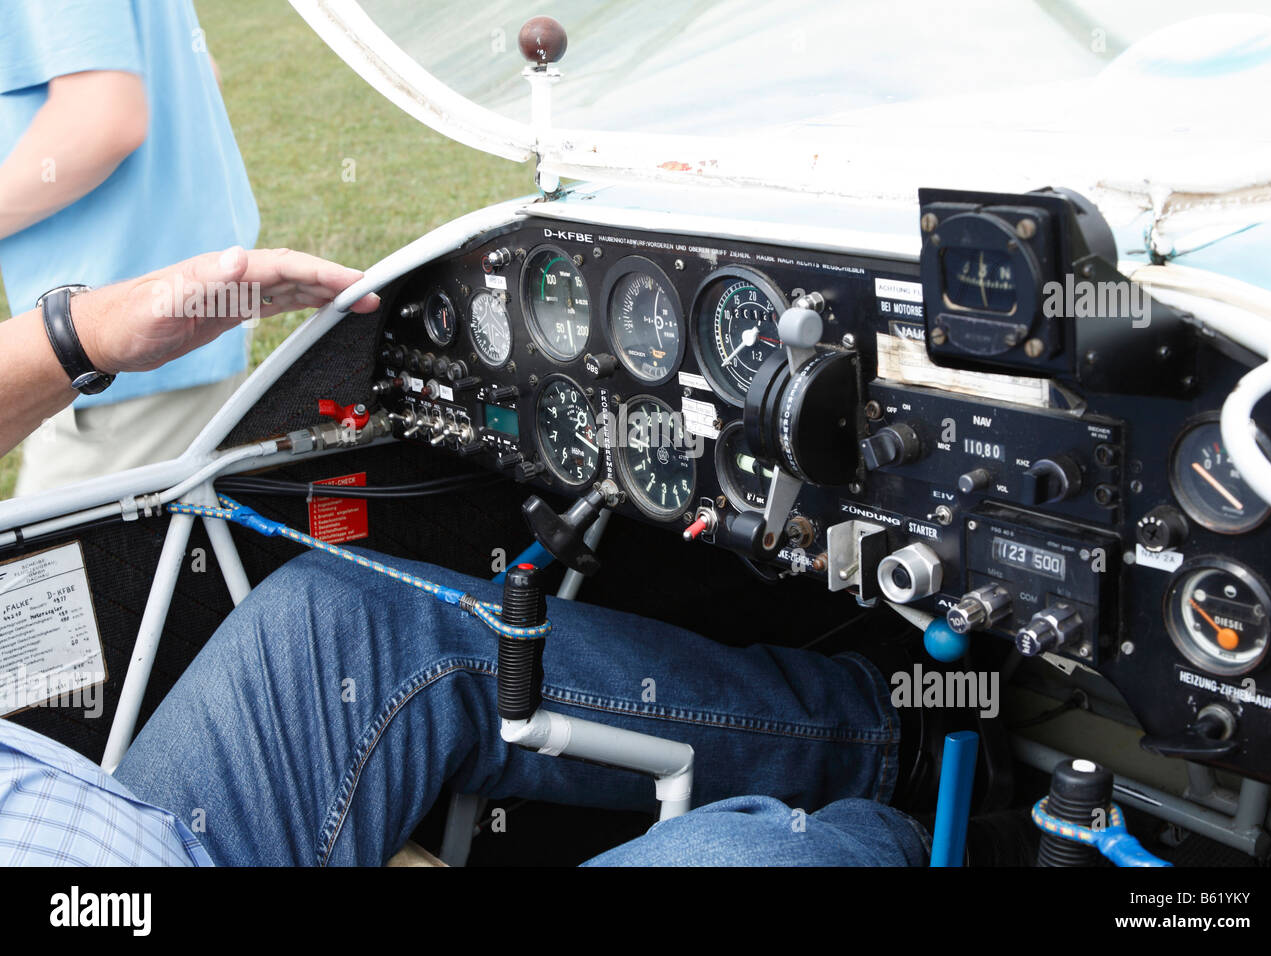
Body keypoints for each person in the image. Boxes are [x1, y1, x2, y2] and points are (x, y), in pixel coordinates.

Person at [0, 246, 929, 866]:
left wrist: (76, 337)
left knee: (345, 615)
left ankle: (886, 741)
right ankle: (930, 841)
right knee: (747, 857)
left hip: (128, 830)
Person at [0, 0, 259, 496]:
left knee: (57, 548)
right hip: (175, 315)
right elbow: (200, 71)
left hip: (119, 346)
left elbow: (102, 119)